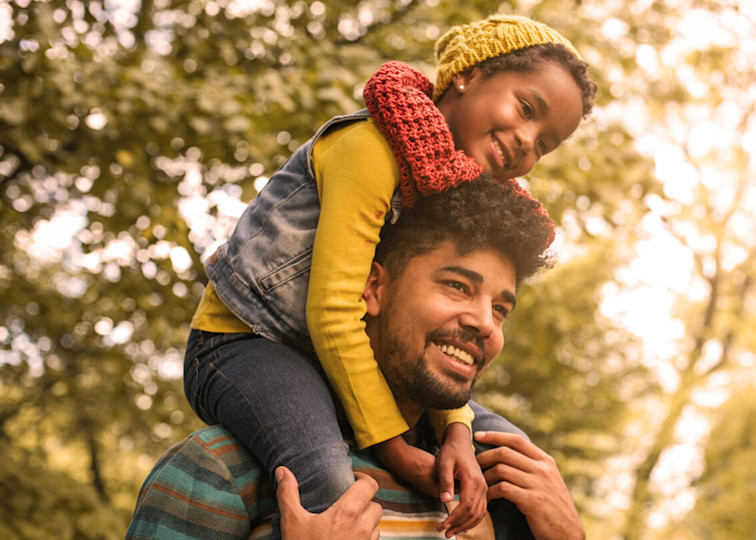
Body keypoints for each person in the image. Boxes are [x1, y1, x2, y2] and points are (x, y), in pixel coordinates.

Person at [183, 13, 597, 539]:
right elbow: (334, 309)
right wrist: (396, 447)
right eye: (526, 109)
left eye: (545, 143)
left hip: (346, 355)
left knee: (513, 462)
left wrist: (455, 428)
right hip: (248, 344)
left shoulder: (447, 182)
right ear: (469, 74)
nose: (527, 142)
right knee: (329, 480)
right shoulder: (369, 147)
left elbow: (421, 336)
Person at [129, 177, 584, 540]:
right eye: (457, 286)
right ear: (373, 288)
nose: (485, 322)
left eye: (501, 308)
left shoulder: (502, 489)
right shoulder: (220, 471)